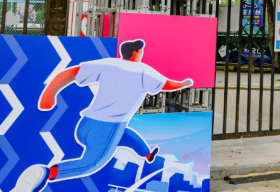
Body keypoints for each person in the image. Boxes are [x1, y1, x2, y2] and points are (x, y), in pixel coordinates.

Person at [11, 39, 193, 192]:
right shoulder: (143, 71)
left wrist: (49, 95)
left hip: (86, 126)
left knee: (124, 135)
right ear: (136, 53)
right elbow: (168, 84)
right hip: (106, 129)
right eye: (141, 51)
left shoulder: (108, 63)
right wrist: (184, 83)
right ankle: (45, 173)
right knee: (91, 164)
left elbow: (70, 73)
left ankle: (147, 154)